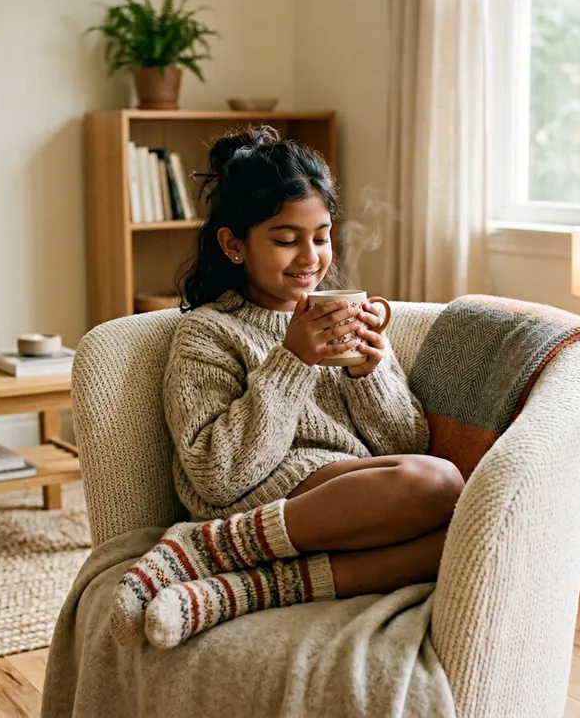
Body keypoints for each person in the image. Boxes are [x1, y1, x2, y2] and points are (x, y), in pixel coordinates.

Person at [112, 126, 464, 650]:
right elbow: (216, 476)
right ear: (234, 245)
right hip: (263, 500)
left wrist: (370, 373)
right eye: (285, 240)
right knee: (440, 483)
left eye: (321, 237)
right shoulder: (209, 332)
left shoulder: (345, 319)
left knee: (465, 536)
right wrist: (293, 359)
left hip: (346, 513)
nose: (309, 257)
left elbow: (405, 444)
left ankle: (240, 588)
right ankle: (214, 545)